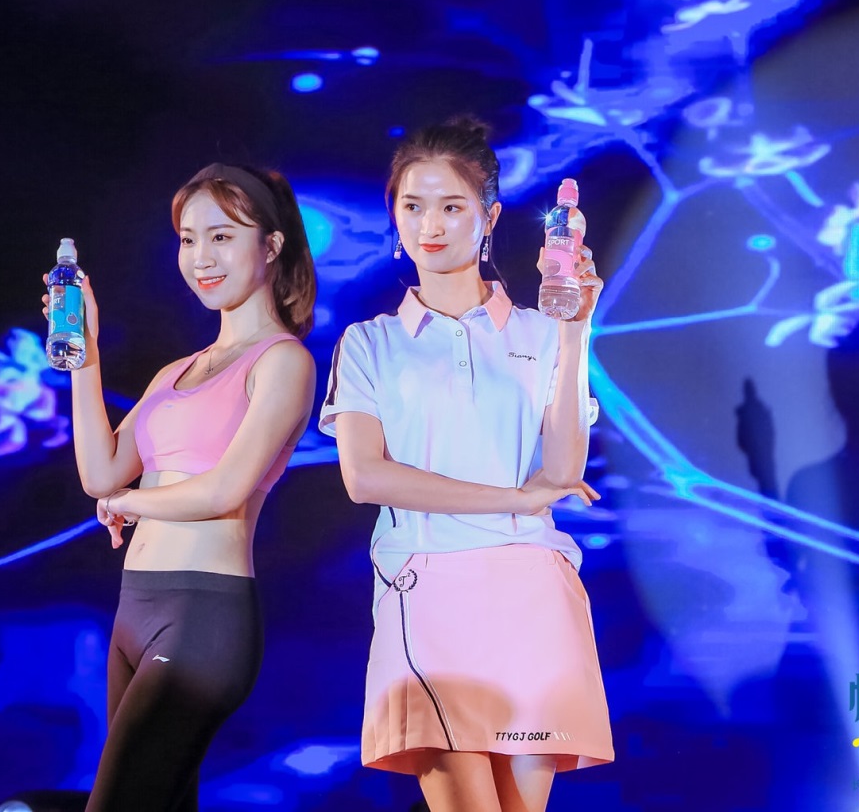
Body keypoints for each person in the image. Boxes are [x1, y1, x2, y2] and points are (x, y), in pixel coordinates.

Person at [319, 117, 614, 812]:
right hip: (423, 590)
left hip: (531, 590)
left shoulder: (542, 333)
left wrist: (576, 329)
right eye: (412, 205)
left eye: (452, 206)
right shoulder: (370, 343)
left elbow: (562, 467)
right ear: (394, 217)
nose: (431, 225)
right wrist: (513, 497)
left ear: (490, 217)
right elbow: (365, 477)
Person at [50, 164, 317, 811]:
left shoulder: (283, 361)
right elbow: (101, 471)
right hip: (133, 611)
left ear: (271, 245)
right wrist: (83, 349)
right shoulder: (175, 371)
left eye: (221, 237)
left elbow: (224, 489)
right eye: (188, 239)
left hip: (202, 617)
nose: (201, 258)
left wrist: (128, 503)